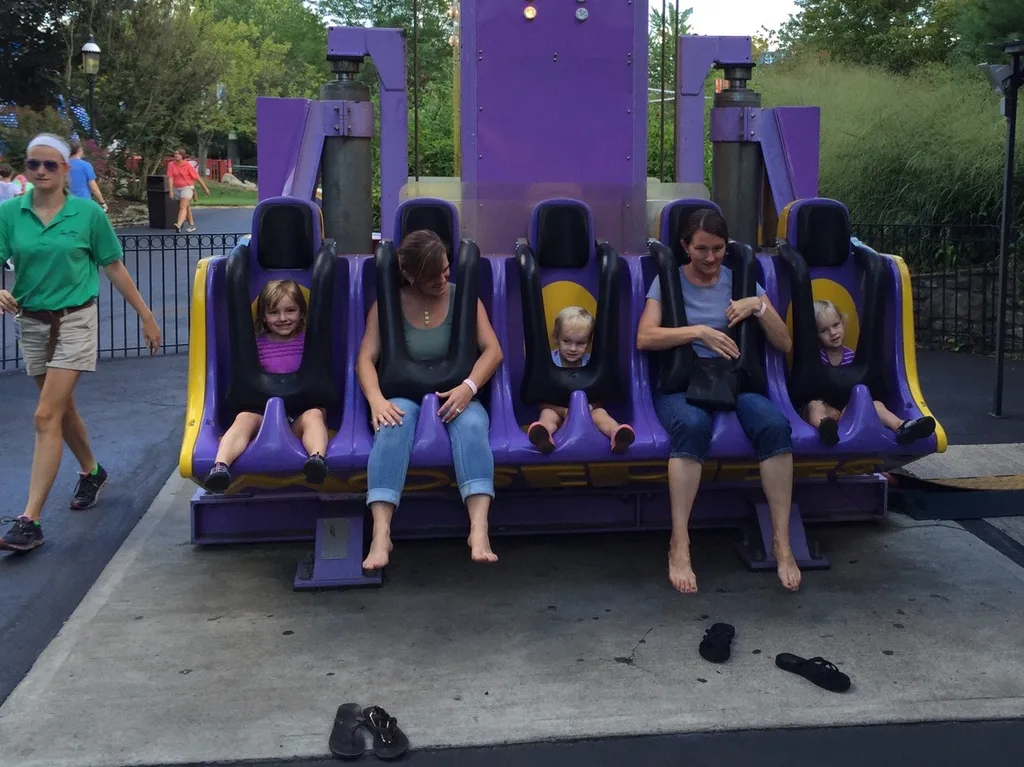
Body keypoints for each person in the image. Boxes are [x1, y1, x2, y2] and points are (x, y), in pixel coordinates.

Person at [0, 133, 161, 552]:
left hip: (75, 321)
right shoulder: (9, 213)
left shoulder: (87, 215)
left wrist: (145, 314)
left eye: (50, 165)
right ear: (26, 167)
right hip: (31, 322)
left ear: (65, 170)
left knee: (44, 415)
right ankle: (91, 471)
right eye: (34, 164)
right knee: (60, 409)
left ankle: (29, 520)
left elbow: (113, 266)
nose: (40, 172)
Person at [637, 209, 801, 594]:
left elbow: (785, 343)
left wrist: (757, 307)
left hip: (734, 381)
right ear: (685, 248)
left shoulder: (741, 281)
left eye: (718, 249)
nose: (710, 259)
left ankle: (782, 541)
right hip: (683, 382)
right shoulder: (669, 282)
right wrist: (699, 332)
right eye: (701, 249)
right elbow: (644, 338)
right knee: (692, 426)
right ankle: (680, 542)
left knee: (775, 426)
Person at [356, 229, 504, 569]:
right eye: (432, 275)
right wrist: (377, 400)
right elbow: (365, 358)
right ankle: (381, 535)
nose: (443, 278)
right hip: (404, 394)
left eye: (446, 269)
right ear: (410, 275)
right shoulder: (388, 306)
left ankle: (478, 530)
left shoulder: (463, 300)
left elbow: (493, 351)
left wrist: (469, 386)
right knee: (392, 426)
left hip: (455, 392)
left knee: (471, 426)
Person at [204, 279, 330, 492]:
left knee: (314, 416)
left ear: (302, 312)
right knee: (244, 418)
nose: (283, 318)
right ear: (263, 315)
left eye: (290, 310)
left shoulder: (310, 342)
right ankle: (220, 466)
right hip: (264, 416)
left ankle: (316, 459)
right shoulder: (256, 346)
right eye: (274, 312)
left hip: (298, 416)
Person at [803, 299, 935, 447]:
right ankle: (824, 428)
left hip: (848, 409)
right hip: (827, 409)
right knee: (814, 405)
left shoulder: (852, 357)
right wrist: (826, 407)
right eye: (823, 330)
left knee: (876, 404)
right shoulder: (817, 358)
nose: (833, 333)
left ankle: (902, 426)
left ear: (843, 322)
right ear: (815, 335)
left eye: (836, 325)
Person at [527, 305, 636, 454]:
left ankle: (616, 433)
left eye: (580, 343)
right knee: (547, 414)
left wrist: (590, 406)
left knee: (600, 414)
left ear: (589, 342)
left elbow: (601, 392)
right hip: (557, 410)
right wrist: (565, 411)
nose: (573, 348)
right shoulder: (549, 362)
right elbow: (540, 399)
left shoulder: (592, 364)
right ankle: (543, 434)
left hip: (587, 412)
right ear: (556, 337)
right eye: (567, 341)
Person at [166, 148, 210, 233]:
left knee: (182, 207)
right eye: (175, 154)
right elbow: (170, 178)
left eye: (178, 154)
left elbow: (197, 177)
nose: (176, 155)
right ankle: (192, 225)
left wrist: (205, 188)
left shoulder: (188, 165)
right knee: (186, 207)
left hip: (187, 187)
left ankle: (178, 225)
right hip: (177, 188)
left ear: (182, 156)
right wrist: (171, 191)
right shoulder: (171, 164)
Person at [68, 141, 108, 212]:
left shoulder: (62, 166)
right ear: (79, 150)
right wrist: (102, 202)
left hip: (66, 203)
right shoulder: (86, 166)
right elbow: (93, 188)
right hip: (83, 203)